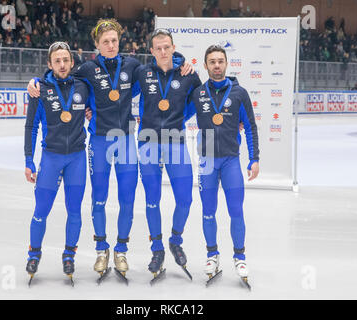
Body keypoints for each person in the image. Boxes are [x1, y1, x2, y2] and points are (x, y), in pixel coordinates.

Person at [28, 19, 193, 281]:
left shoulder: (133, 66)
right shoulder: (86, 69)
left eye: (114, 40)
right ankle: (102, 248)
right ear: (97, 44)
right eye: (105, 41)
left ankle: (121, 249)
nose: (111, 45)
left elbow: (160, 67)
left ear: (120, 41)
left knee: (127, 199)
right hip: (99, 141)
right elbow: (58, 79)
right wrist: (35, 81)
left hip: (126, 139)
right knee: (100, 198)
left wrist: (181, 59)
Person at [187, 45, 259, 284]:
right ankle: (212, 255)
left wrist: (254, 158)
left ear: (226, 64)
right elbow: (175, 113)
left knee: (236, 211)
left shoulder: (240, 93)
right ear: (206, 65)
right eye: (212, 62)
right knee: (208, 213)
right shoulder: (198, 93)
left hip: (230, 161)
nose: (216, 65)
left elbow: (250, 127)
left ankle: (240, 257)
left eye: (220, 61)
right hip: (207, 162)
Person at [133, 29, 201, 279]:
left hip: (175, 141)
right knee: (152, 200)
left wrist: (180, 118)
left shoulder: (189, 75)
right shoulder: (142, 73)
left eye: (167, 47)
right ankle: (157, 249)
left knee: (185, 199)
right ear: (151, 51)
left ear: (174, 48)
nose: (163, 52)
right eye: (158, 48)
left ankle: (175, 240)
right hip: (147, 141)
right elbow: (115, 96)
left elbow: (202, 104)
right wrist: (92, 110)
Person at [24, 41, 89, 284]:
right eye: (57, 61)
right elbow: (31, 126)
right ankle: (34, 253)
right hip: (50, 158)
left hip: (77, 158)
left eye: (66, 60)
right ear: (49, 64)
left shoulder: (84, 86)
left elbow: (98, 108)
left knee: (74, 211)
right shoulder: (39, 88)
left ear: (72, 62)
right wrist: (29, 160)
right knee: (41, 211)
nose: (62, 65)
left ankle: (69, 255)